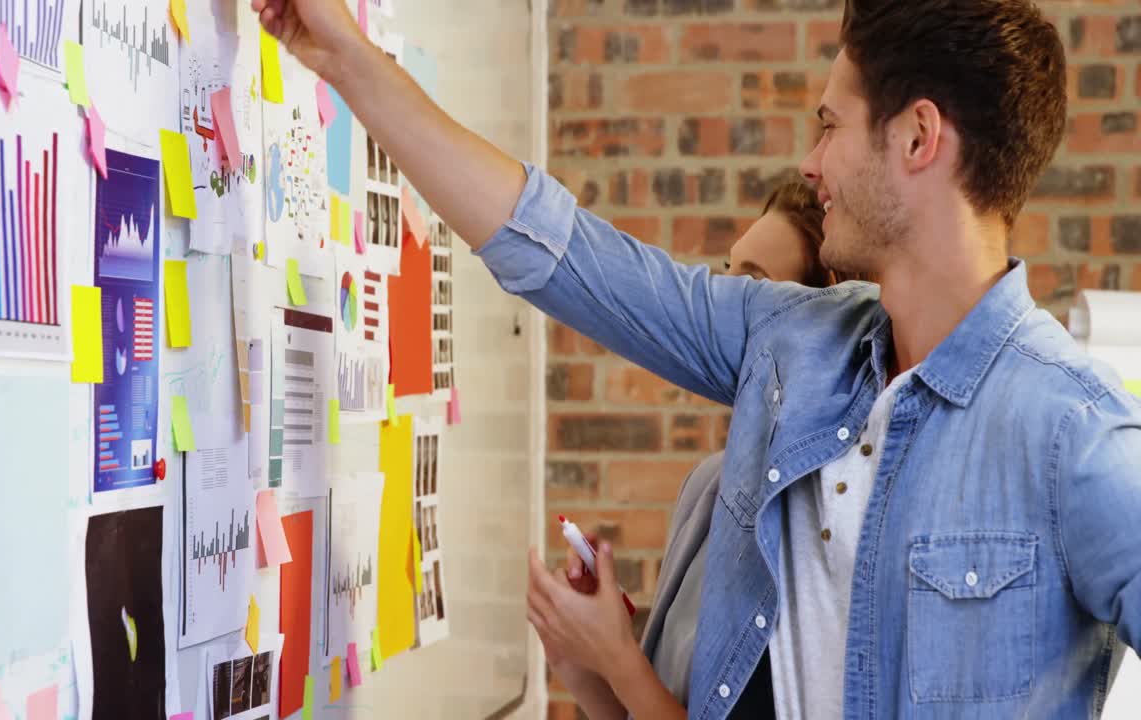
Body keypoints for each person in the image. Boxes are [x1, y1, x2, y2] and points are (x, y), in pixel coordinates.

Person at [254, 0, 1141, 717]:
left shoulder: (1074, 436)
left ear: (917, 138)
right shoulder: (791, 344)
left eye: (831, 124)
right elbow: (562, 253)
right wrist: (344, 57)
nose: (810, 160)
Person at [541, 182, 854, 720]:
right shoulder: (708, 489)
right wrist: (579, 658)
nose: (722, 301)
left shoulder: (829, 524)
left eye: (752, 287)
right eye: (725, 273)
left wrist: (617, 656)